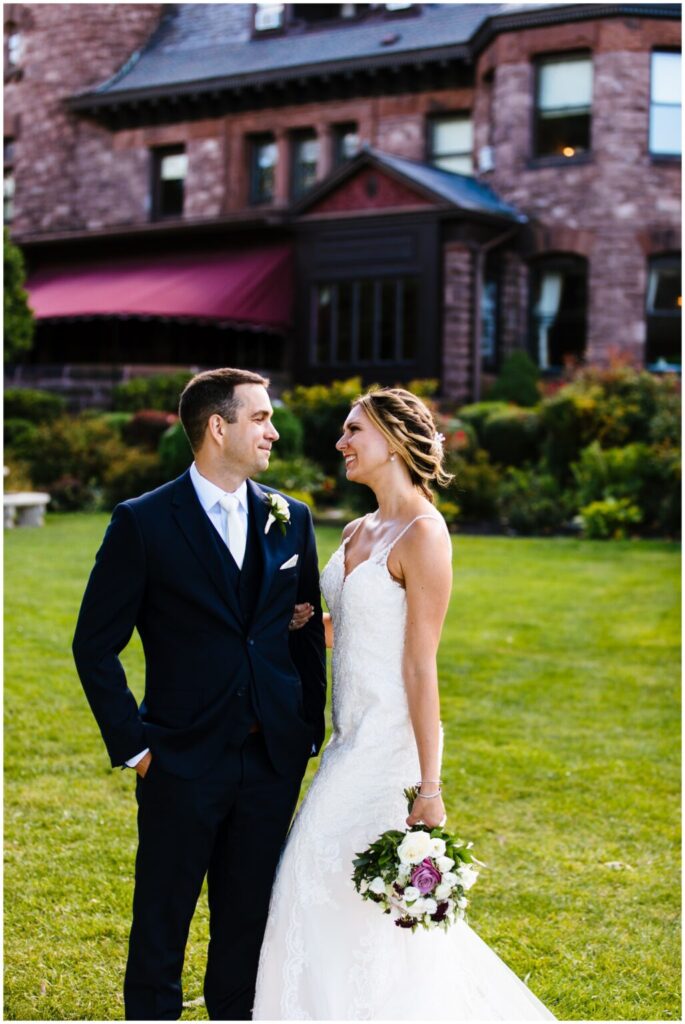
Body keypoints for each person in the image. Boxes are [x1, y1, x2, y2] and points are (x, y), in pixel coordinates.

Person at [253, 387, 556, 1020]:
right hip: (344, 740)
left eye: (352, 431)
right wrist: (310, 621)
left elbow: (420, 664)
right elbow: (357, 623)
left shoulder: (424, 534)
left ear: (391, 439)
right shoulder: (359, 528)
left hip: (387, 746)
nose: (341, 444)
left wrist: (430, 783)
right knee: (328, 889)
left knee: (314, 875)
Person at [72, 367, 326, 1021]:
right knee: (160, 930)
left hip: (269, 761)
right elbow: (94, 645)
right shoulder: (144, 522)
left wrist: (304, 727)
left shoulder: (288, 519)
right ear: (218, 427)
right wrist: (137, 749)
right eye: (261, 417)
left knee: (247, 934)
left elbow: (301, 632)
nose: (273, 430)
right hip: (179, 761)